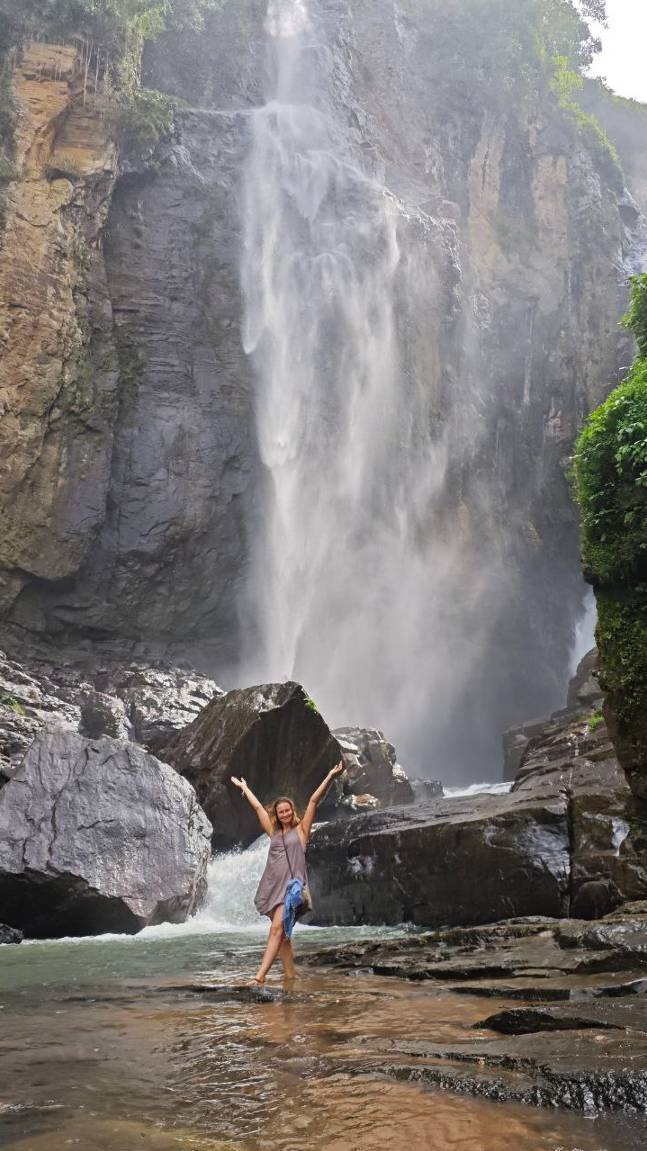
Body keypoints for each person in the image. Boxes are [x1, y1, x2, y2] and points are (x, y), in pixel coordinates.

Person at [230, 763, 344, 987]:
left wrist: (330, 775)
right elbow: (258, 809)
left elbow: (313, 800)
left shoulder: (302, 831)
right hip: (273, 886)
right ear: (277, 813)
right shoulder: (273, 832)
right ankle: (290, 977)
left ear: (293, 811)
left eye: (287, 810)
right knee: (284, 935)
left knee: (276, 929)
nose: (284, 814)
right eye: (280, 811)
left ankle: (259, 977)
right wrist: (244, 788)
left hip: (291, 889)